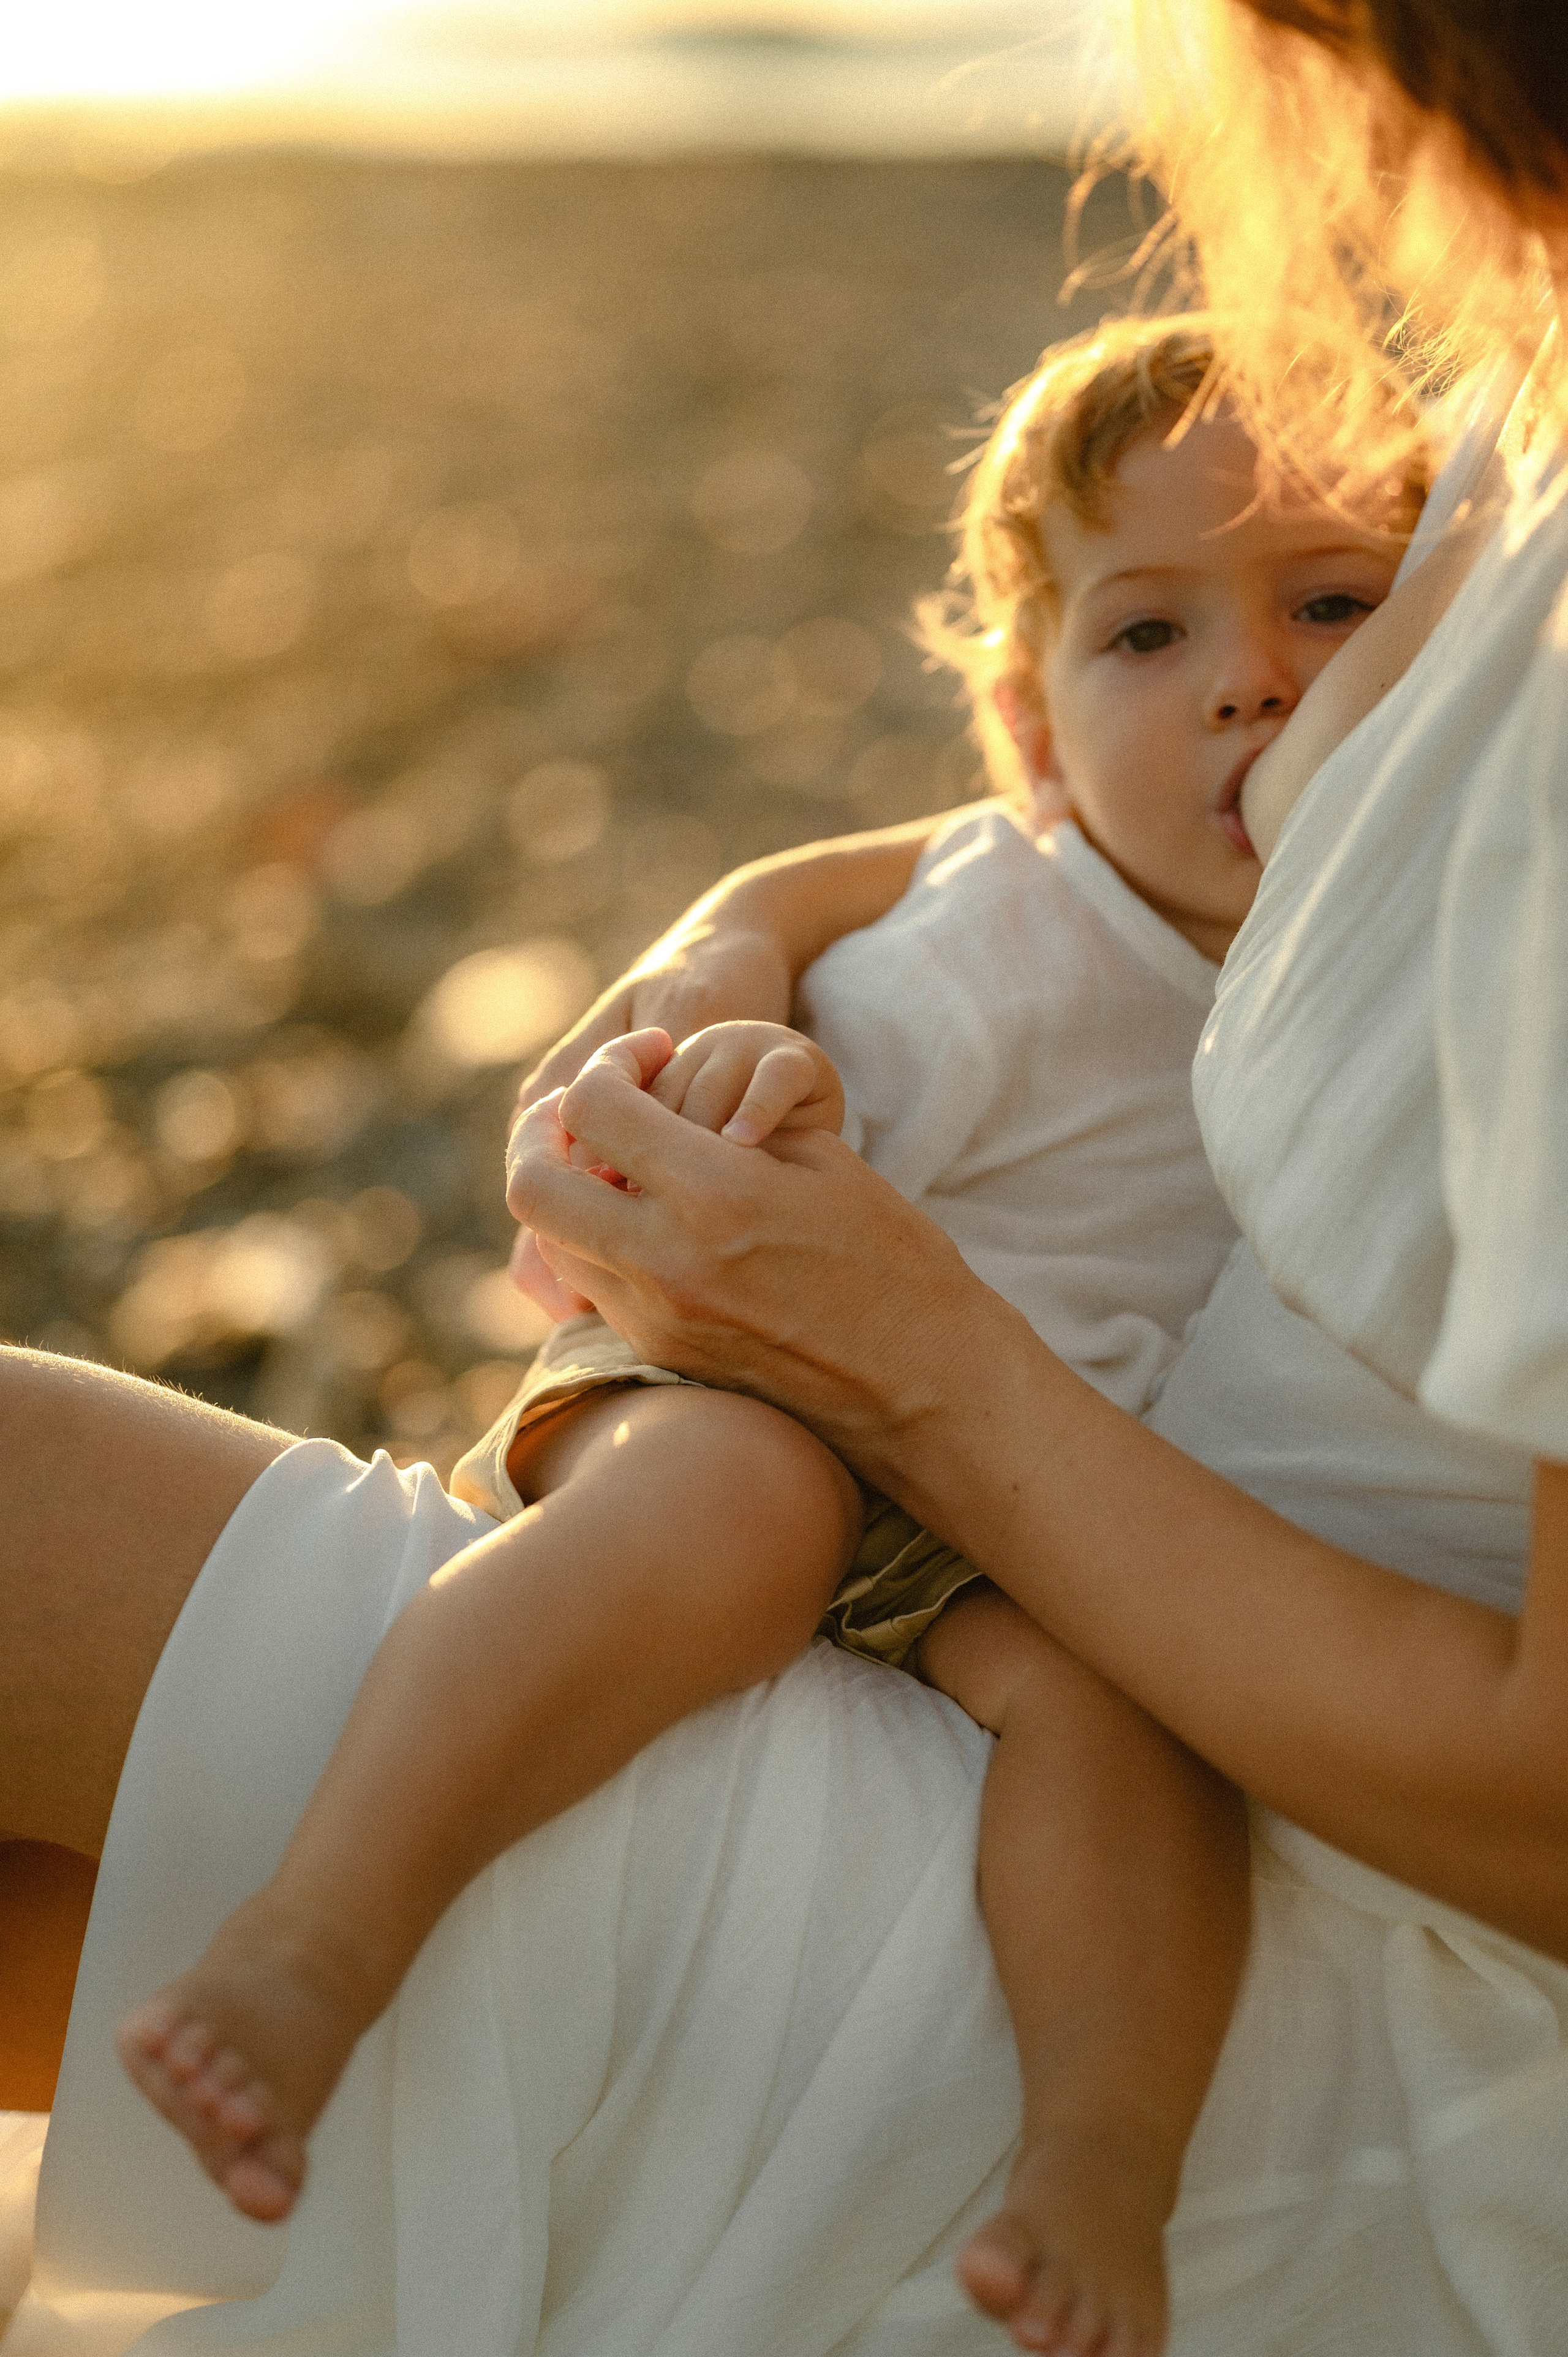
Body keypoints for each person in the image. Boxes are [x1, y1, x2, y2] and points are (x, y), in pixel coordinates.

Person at [3, 4, 1566, 2352]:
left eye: (1320, 611)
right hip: (778, 1427)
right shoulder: (1108, 830)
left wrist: (925, 1367)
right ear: (1039, 714)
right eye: (1157, 634)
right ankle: (325, 1935)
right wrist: (721, 946)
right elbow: (894, 864)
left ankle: (1094, 2178)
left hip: (1180, 1700)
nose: (1256, 680)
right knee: (696, 1531)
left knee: (1116, 1776)